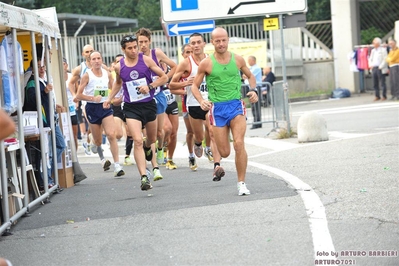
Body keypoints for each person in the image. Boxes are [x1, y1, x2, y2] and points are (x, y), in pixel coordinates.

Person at [190, 27, 258, 196]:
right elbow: (194, 86)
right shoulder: (207, 63)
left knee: (239, 144)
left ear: (228, 40)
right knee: (225, 152)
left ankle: (241, 183)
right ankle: (218, 158)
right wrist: (201, 101)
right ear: (212, 42)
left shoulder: (238, 59)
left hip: (236, 106)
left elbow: (250, 76)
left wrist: (254, 90)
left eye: (223, 40)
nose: (221, 44)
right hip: (217, 110)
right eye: (217, 41)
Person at [104, 35, 168, 191]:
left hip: (148, 105)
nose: (134, 50)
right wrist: (109, 99)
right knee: (137, 140)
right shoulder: (119, 67)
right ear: (123, 50)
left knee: (151, 139)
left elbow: (164, 77)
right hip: (131, 108)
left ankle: (148, 148)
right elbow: (118, 83)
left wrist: (150, 86)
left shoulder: (146, 60)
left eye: (135, 47)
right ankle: (144, 177)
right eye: (130, 48)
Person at [170, 32, 224, 181]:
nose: (195, 45)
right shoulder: (186, 63)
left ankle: (216, 166)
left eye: (198, 42)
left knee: (212, 131)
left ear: (204, 43)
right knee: (198, 135)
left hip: (210, 102)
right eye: (192, 43)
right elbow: (171, 84)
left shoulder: (212, 59)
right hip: (193, 104)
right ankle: (199, 143)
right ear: (190, 45)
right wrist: (185, 83)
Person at [74, 51, 124, 177]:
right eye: (94, 59)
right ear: (90, 61)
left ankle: (117, 165)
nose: (96, 61)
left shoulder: (107, 74)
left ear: (102, 60)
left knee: (111, 134)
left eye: (98, 58)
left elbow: (114, 87)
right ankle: (98, 150)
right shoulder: (87, 75)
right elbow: (78, 95)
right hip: (92, 108)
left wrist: (114, 99)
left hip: (105, 106)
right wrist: (92, 98)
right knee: (98, 140)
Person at [136, 28, 177, 171]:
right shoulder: (136, 57)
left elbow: (174, 66)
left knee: (161, 132)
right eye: (140, 42)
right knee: (148, 133)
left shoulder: (156, 53)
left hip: (158, 95)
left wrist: (165, 79)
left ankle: (160, 148)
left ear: (150, 41)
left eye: (145, 42)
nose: (143, 45)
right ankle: (151, 160)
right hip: (144, 98)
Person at [23, 59, 66, 188]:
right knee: (45, 151)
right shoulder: (32, 82)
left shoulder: (45, 81)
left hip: (51, 119)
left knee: (59, 146)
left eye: (43, 66)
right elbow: (32, 102)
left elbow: (46, 101)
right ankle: (45, 181)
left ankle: (48, 177)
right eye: (38, 67)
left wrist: (53, 104)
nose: (41, 69)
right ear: (32, 69)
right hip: (43, 122)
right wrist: (45, 92)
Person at [63, 58, 78, 150]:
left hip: (72, 106)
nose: (63, 66)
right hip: (62, 107)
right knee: (64, 133)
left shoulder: (71, 76)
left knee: (74, 134)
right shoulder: (54, 77)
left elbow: (77, 90)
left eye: (64, 64)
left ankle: (75, 157)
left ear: (67, 65)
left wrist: (77, 102)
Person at [243, 55, 262, 129]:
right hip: (251, 88)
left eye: (249, 60)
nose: (248, 62)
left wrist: (246, 76)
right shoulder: (250, 68)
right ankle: (256, 121)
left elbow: (249, 76)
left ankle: (257, 122)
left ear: (253, 61)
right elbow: (245, 76)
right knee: (253, 106)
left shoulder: (256, 68)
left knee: (256, 106)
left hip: (256, 88)